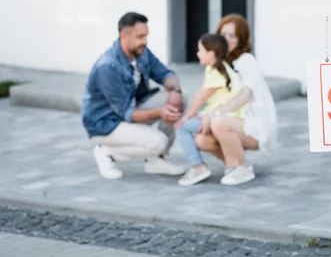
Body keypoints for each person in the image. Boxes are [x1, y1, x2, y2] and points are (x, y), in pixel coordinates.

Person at [82, 12, 187, 179]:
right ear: (124, 36)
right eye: (140, 37)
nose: (145, 41)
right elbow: (126, 113)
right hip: (106, 123)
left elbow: (165, 73)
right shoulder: (108, 66)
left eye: (146, 36)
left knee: (181, 97)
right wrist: (160, 112)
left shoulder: (141, 52)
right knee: (158, 142)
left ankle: (156, 161)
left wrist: (175, 91)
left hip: (132, 109)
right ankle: (106, 152)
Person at [194, 14, 278, 186]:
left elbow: (245, 95)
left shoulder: (246, 60)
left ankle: (243, 168)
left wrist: (216, 114)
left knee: (218, 123)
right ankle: (234, 164)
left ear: (241, 40)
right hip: (235, 121)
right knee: (201, 139)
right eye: (223, 34)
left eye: (231, 36)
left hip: (254, 125)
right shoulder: (221, 63)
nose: (226, 39)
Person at [175, 33, 247, 187]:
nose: (197, 53)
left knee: (183, 128)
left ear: (211, 53)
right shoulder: (219, 68)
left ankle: (197, 166)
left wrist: (186, 117)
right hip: (222, 115)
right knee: (197, 135)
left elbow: (201, 97)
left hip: (223, 118)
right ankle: (234, 164)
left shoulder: (216, 72)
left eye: (200, 50)